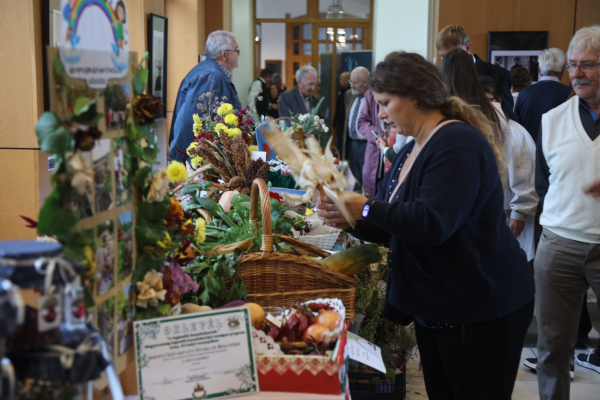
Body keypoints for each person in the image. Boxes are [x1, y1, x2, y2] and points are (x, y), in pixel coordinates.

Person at [318, 51, 534, 400]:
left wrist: (368, 208)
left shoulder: (456, 143)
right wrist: (353, 219)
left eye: (387, 103)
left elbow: (433, 223)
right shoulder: (413, 147)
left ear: (415, 95)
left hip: (481, 306)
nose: (383, 114)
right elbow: (401, 225)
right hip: (444, 306)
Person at [533, 26, 600, 399]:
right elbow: (545, 183)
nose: (576, 73)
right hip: (559, 245)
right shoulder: (553, 120)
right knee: (553, 348)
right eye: (573, 65)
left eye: (588, 65)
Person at [440, 49, 538, 251]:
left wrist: (519, 211)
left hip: (484, 203)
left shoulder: (493, 114)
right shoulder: (455, 111)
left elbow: (518, 161)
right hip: (476, 202)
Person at [480, 75, 539, 260]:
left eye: (490, 100)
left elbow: (526, 175)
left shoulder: (515, 132)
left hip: (508, 211)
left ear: (499, 100)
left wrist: (519, 212)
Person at [169, 30, 242, 162]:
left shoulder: (209, 72)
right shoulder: (210, 77)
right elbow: (192, 123)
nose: (239, 54)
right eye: (236, 50)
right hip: (197, 162)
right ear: (224, 54)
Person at [437, 24, 515, 120]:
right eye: (443, 56)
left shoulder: (499, 75)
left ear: (468, 47)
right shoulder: (438, 78)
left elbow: (507, 118)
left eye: (452, 55)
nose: (447, 62)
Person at [514, 48, 573, 142]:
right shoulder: (571, 93)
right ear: (562, 70)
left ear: (539, 70)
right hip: (560, 153)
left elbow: (516, 128)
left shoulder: (524, 94)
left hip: (530, 153)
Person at [342, 67, 369, 190]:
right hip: (352, 143)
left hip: (367, 144)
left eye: (355, 83)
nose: (351, 85)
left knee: (366, 179)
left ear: (366, 82)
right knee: (354, 179)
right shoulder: (349, 95)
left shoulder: (373, 97)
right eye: (350, 82)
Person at [334, 71, 351, 150]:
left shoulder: (351, 93)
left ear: (347, 80)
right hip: (340, 121)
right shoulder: (341, 90)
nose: (340, 82)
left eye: (342, 80)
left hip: (346, 122)